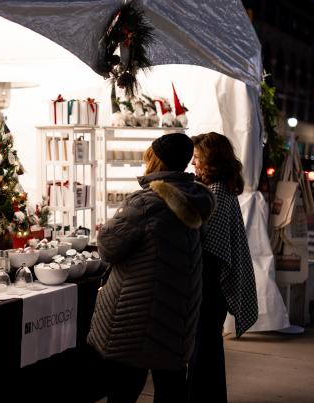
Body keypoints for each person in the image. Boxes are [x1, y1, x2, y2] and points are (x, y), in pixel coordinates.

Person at [87, 132, 215, 403]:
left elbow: (108, 246)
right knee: (170, 388)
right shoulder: (194, 197)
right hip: (176, 310)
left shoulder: (146, 202)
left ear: (156, 161)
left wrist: (108, 227)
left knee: (123, 390)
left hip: (138, 314)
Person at [187, 132, 259, 403]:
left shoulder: (214, 193)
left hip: (209, 283)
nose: (194, 164)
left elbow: (210, 248)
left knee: (203, 351)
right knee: (209, 350)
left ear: (210, 160)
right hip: (213, 283)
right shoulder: (224, 188)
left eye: (197, 158)